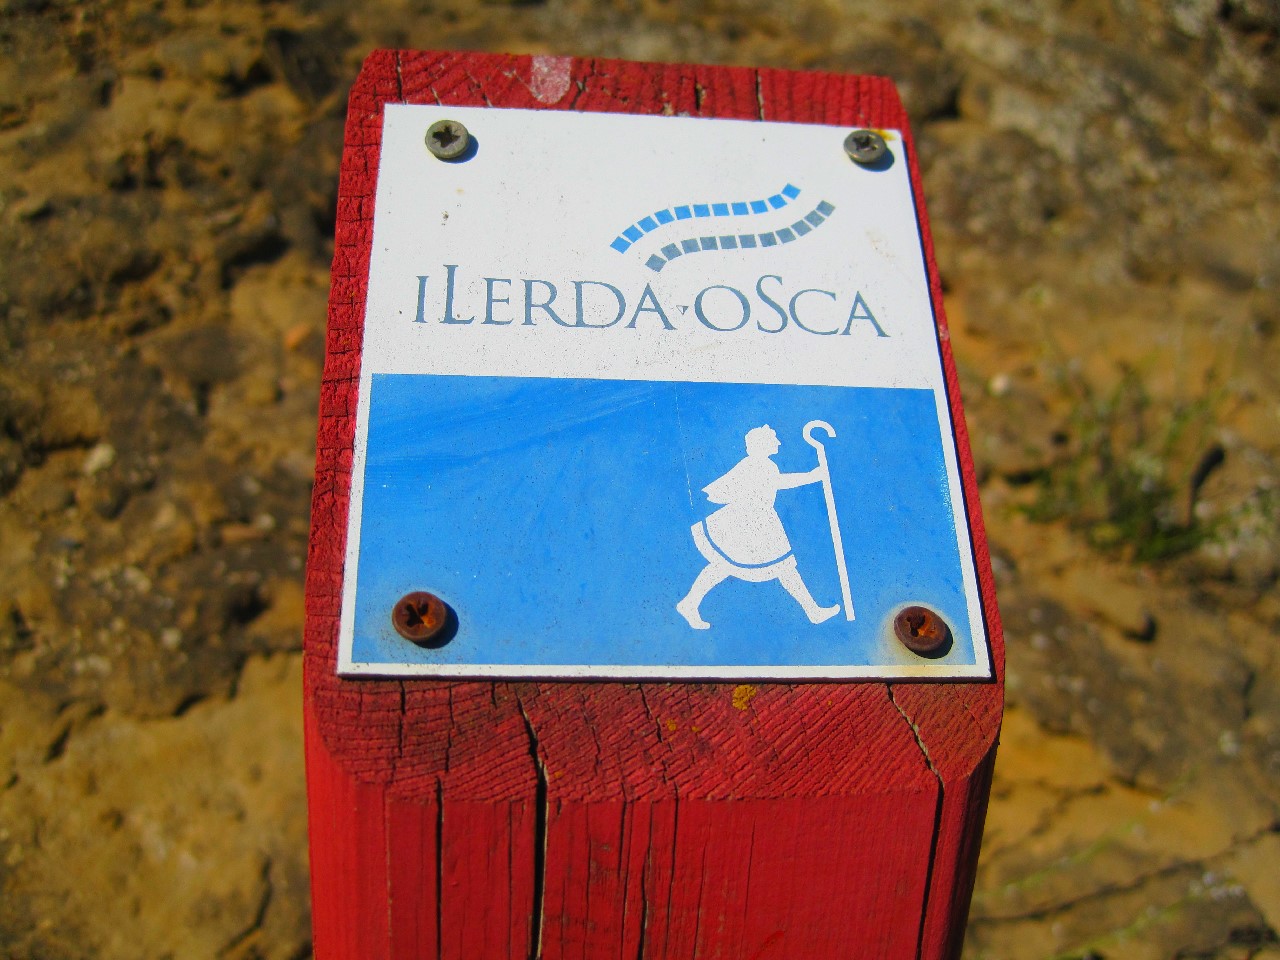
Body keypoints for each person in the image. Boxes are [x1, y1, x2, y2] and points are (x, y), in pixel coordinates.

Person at [676, 424, 840, 629]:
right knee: (766, 568)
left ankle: (689, 603)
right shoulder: (756, 465)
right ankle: (690, 603)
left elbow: (776, 482)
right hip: (750, 521)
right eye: (773, 439)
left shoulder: (763, 464)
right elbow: (776, 482)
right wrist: (811, 476)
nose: (778, 442)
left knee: (773, 569)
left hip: (760, 520)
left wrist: (811, 476)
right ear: (762, 444)